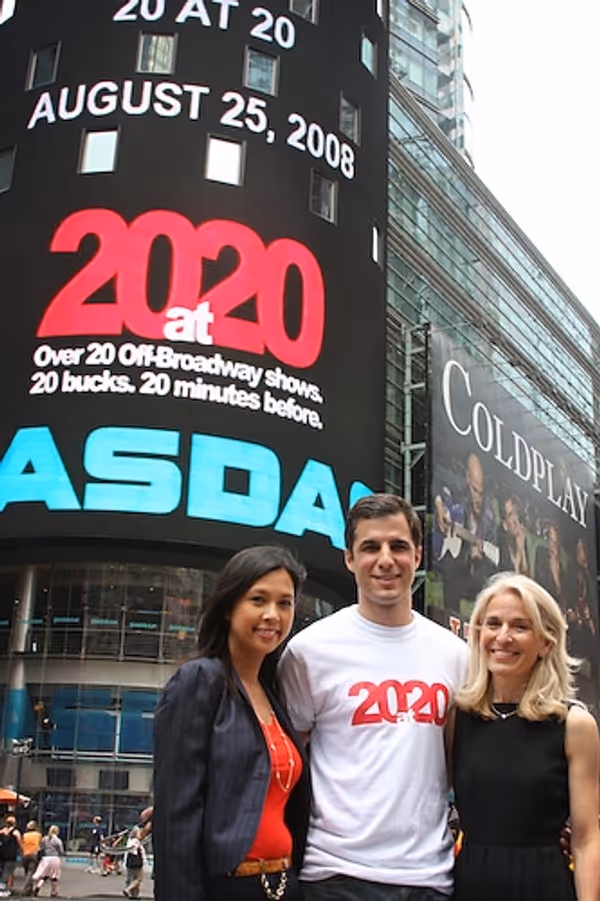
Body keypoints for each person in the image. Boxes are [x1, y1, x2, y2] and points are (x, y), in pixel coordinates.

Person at [279, 494, 467, 899]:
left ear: (417, 555)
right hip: (335, 875)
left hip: (429, 878)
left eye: (398, 546)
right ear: (350, 558)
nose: (385, 560)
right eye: (370, 547)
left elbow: (465, 763)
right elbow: (282, 762)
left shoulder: (455, 655)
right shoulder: (309, 651)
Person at [153, 545, 310, 901]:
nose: (272, 615)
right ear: (228, 606)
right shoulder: (199, 681)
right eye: (258, 600)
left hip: (285, 883)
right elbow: (176, 814)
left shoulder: (274, 693)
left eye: (284, 603)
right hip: (228, 885)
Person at [450, 572, 600, 901]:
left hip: (545, 886)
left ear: (546, 642)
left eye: (520, 626)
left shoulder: (574, 725)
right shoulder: (457, 718)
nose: (503, 637)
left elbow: (587, 838)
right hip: (471, 885)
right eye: (493, 624)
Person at [498, 494, 531, 575]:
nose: (515, 520)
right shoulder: (501, 550)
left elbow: (528, 578)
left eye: (516, 513)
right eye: (510, 515)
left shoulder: (526, 544)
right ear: (505, 524)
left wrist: (522, 550)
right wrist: (517, 561)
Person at [31, 825, 64, 898]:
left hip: (45, 859)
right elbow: (61, 851)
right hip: (54, 859)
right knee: (54, 876)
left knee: (44, 875)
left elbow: (41, 848)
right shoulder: (57, 840)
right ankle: (53, 892)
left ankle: (38, 886)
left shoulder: (45, 839)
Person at [0, 815, 22, 897]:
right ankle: (2, 890)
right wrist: (22, 850)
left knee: (1, 871)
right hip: (11, 855)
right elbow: (19, 843)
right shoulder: (15, 832)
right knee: (7, 871)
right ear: (14, 823)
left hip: (2, 854)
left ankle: (2, 888)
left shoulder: (2, 831)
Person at [20, 820, 42, 897]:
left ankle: (29, 890)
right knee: (31, 872)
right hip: (33, 854)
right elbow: (40, 844)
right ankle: (25, 889)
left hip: (25, 854)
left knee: (27, 872)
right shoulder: (38, 834)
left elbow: (22, 843)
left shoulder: (25, 835)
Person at [123, 826, 146, 898]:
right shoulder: (136, 841)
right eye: (139, 833)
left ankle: (134, 895)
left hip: (130, 862)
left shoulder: (130, 840)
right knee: (139, 878)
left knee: (133, 878)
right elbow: (133, 850)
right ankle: (128, 889)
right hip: (136, 862)